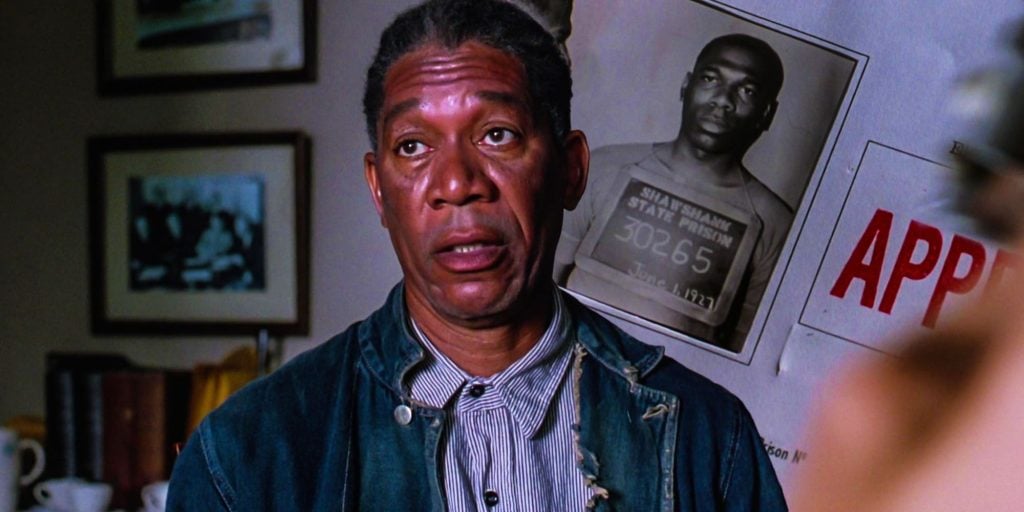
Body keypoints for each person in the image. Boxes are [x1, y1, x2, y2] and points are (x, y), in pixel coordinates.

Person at [167, 1, 786, 510]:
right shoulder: (246, 452)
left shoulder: (708, 438)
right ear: (379, 190)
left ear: (571, 171)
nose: (457, 183)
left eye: (497, 135)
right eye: (413, 146)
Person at [555, 34, 792, 352]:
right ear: (686, 86)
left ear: (767, 114)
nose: (723, 99)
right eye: (711, 79)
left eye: (747, 90)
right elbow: (547, 279)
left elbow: (742, 346)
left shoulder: (774, 223)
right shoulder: (605, 165)